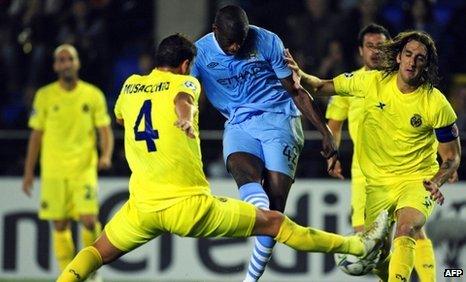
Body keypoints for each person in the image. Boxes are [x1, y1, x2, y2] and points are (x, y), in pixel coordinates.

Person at [56, 34, 389, 282]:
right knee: (274, 222)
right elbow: (183, 98)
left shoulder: (130, 87)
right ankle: (357, 248)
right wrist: (185, 117)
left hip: (141, 208)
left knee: (94, 254)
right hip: (189, 208)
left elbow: (120, 119)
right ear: (186, 64)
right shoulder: (186, 82)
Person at [285, 30, 461, 282]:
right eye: (408, 55)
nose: (412, 62)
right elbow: (322, 86)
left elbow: (452, 156)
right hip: (374, 182)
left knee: (407, 228)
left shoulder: (436, 103)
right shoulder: (369, 82)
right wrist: (299, 74)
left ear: (426, 64)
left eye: (419, 58)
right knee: (377, 252)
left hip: (416, 179)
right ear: (399, 57)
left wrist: (438, 179)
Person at [191, 6, 338, 281]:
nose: (236, 46)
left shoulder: (268, 41)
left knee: (274, 211)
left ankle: (251, 278)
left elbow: (295, 90)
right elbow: (185, 95)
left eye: (241, 40)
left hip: (280, 119)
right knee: (240, 168)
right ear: (215, 31)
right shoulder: (200, 54)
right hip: (238, 123)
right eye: (230, 41)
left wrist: (326, 132)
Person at [22, 44, 114, 281]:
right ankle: (68, 275)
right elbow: (36, 135)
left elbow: (105, 130)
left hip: (83, 169)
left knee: (88, 220)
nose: (66, 64)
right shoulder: (44, 96)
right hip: (53, 172)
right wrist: (29, 171)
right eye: (61, 60)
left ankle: (92, 271)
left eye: (70, 59)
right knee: (60, 226)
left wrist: (105, 155)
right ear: (55, 66)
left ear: (77, 63)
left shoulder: (92, 95)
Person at [325, 23, 391, 233]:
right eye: (370, 46)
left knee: (409, 231)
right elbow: (333, 126)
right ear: (361, 51)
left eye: (380, 46)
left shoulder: (402, 83)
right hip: (362, 170)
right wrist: (332, 154)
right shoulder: (348, 84)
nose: (375, 51)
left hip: (399, 168)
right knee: (364, 235)